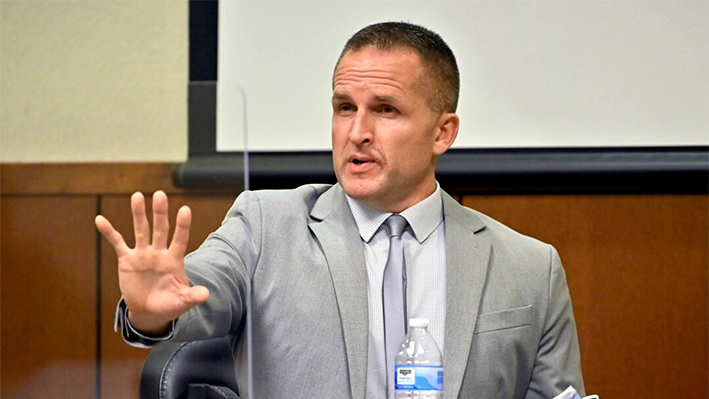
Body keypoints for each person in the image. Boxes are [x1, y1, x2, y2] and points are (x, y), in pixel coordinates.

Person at [96, 22, 585, 399]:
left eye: (386, 110)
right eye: (345, 107)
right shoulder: (266, 228)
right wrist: (151, 312)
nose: (357, 132)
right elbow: (199, 292)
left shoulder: (529, 267)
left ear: (443, 132)